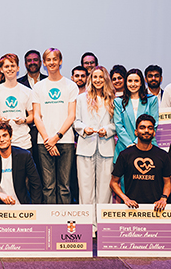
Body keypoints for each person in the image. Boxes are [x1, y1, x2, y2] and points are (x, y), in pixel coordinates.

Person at [32, 48, 78, 204]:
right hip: (43, 142)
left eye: (54, 59)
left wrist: (57, 137)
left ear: (60, 61)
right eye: (48, 60)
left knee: (64, 186)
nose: (52, 62)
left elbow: (71, 115)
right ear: (44, 63)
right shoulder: (38, 87)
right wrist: (47, 139)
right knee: (48, 186)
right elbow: (36, 115)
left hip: (65, 140)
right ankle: (50, 222)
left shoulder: (71, 86)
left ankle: (65, 222)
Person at [74, 66, 115, 226]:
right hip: (86, 147)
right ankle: (87, 225)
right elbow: (76, 121)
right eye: (95, 77)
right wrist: (84, 129)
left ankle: (102, 224)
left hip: (106, 147)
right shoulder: (81, 99)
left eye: (101, 77)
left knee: (105, 189)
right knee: (85, 188)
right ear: (90, 79)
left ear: (105, 79)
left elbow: (116, 123)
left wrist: (108, 130)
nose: (98, 80)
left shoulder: (113, 98)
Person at [110, 115, 171, 211]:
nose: (146, 131)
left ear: (154, 132)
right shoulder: (125, 155)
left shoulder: (163, 155)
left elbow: (167, 182)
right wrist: (126, 199)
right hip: (132, 209)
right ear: (136, 132)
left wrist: (163, 199)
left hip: (156, 208)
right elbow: (113, 182)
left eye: (150, 128)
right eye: (142, 128)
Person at [0, 121, 43, 204]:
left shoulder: (24, 155)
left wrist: (35, 208)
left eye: (4, 135)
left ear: (10, 136)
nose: (2, 140)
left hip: (20, 201)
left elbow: (35, 183)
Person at [0, 53, 34, 151]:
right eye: (6, 66)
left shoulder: (27, 91)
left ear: (18, 68)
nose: (10, 69)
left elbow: (32, 116)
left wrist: (24, 120)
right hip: (2, 143)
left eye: (12, 66)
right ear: (1, 69)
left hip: (23, 142)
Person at [113, 69, 159, 163]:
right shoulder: (118, 102)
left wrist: (136, 142)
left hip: (147, 145)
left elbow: (154, 124)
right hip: (124, 146)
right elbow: (118, 125)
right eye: (130, 81)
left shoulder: (152, 100)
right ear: (126, 83)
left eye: (136, 81)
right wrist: (130, 144)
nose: (133, 84)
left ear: (141, 83)